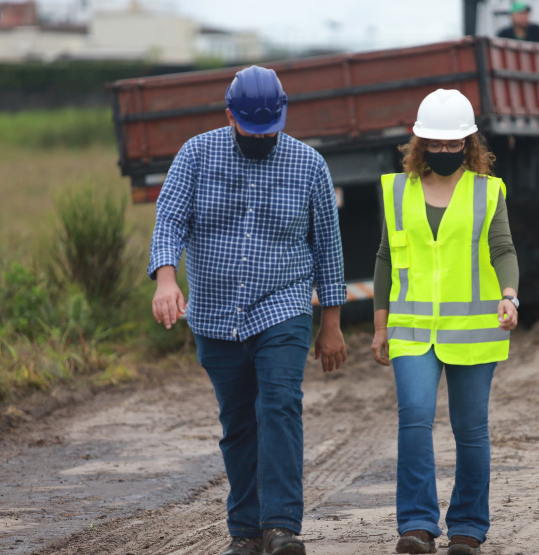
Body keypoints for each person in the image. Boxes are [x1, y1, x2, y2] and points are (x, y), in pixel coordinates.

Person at [148, 65, 348, 555]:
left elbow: (328, 246)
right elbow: (169, 219)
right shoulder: (195, 155)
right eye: (250, 130)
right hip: (215, 314)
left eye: (269, 131)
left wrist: (332, 324)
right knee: (238, 422)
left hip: (283, 304)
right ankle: (244, 532)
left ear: (282, 118)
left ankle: (281, 527)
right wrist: (167, 279)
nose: (260, 139)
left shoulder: (308, 165)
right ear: (229, 116)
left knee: (278, 405)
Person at [371, 89, 519, 555]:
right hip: (412, 330)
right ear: (420, 144)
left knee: (470, 430)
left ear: (468, 144)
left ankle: (468, 528)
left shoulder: (487, 191)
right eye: (434, 145)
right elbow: (383, 259)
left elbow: (503, 250)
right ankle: (416, 525)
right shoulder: (397, 191)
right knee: (414, 419)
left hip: (473, 330)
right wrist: (380, 326)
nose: (443, 153)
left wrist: (511, 296)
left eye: (452, 145)